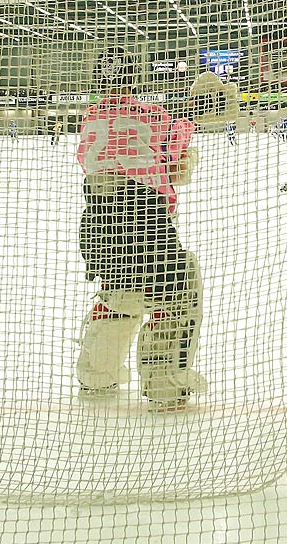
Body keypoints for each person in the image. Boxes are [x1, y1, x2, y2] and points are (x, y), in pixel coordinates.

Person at [75, 46, 209, 412]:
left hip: (97, 225)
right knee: (177, 293)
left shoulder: (89, 117)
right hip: (147, 221)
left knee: (118, 297)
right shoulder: (155, 114)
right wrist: (193, 113)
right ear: (135, 77)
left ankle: (96, 374)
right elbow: (178, 159)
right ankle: (165, 384)